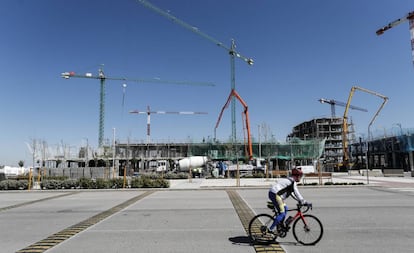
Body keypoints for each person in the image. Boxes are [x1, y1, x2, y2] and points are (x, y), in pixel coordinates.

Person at [268, 168, 308, 233]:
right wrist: (304, 202)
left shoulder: (290, 181)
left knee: (285, 208)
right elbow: (296, 192)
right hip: (275, 194)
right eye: (300, 176)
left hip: (276, 195)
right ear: (297, 176)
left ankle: (280, 225)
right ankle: (270, 229)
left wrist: (300, 201)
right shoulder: (292, 182)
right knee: (282, 213)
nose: (300, 178)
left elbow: (293, 194)